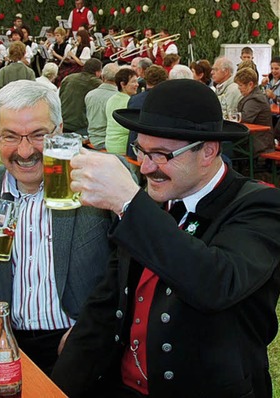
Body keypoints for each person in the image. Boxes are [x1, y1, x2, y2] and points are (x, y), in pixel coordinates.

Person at [52, 78, 280, 398]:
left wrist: (129, 203)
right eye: (140, 150)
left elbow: (216, 282)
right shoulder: (157, 202)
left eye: (160, 154)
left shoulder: (260, 206)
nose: (145, 167)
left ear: (208, 152)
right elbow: (105, 308)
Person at [0, 80, 112, 375]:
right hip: (2, 345)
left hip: (79, 344)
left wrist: (91, 327)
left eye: (38, 135)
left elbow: (133, 274)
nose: (25, 151)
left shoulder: (95, 188)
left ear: (59, 130)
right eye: (11, 136)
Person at [125, 64, 169, 158]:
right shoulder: (166, 100)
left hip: (133, 149)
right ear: (165, 80)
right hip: (154, 151)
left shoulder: (134, 99)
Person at [234, 67, 274, 155]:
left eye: (240, 85)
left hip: (259, 142)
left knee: (225, 146)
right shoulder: (254, 96)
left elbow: (244, 118)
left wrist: (230, 117)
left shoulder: (255, 99)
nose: (239, 88)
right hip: (256, 139)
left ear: (250, 84)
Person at [59, 58, 103, 135]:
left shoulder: (68, 78)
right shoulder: (97, 84)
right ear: (98, 72)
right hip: (80, 126)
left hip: (62, 121)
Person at [85, 62, 119, 149]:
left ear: (102, 77)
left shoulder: (90, 95)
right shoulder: (117, 98)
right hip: (107, 142)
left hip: (92, 138)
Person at [105, 67, 138, 154]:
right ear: (123, 84)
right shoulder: (130, 102)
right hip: (123, 146)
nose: (137, 84)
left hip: (109, 143)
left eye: (137, 81)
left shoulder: (111, 99)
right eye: (133, 82)